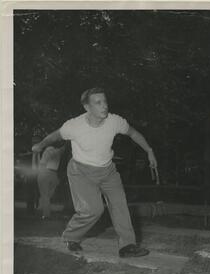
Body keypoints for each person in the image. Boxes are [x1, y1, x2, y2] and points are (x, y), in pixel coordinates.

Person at [32, 87, 158, 258]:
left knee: (120, 205)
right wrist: (40, 145)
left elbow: (133, 133)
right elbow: (55, 136)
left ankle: (127, 246)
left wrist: (149, 150)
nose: (104, 106)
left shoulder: (115, 121)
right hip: (81, 171)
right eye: (98, 103)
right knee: (93, 210)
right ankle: (71, 236)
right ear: (87, 107)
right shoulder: (74, 126)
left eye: (105, 101)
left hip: (108, 171)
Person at [37, 142, 66, 220]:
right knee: (47, 195)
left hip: (46, 172)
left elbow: (43, 162)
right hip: (53, 173)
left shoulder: (50, 149)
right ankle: (45, 211)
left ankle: (45, 214)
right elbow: (62, 149)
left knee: (46, 195)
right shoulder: (58, 150)